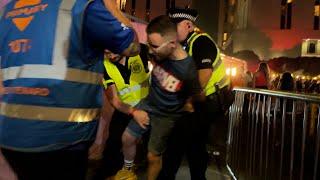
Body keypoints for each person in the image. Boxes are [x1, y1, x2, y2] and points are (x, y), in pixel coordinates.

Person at [0, 0, 140, 179]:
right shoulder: (80, 6)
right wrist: (111, 5)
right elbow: (132, 46)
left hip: (11, 136)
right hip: (63, 138)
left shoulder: (8, 11)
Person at [114, 15, 202, 180]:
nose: (150, 50)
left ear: (172, 44)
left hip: (166, 116)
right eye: (149, 44)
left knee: (152, 157)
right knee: (127, 137)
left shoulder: (187, 68)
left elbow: (199, 95)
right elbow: (133, 47)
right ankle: (127, 171)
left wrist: (187, 103)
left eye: (154, 46)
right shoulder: (157, 52)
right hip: (148, 104)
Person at [159, 8, 231, 180]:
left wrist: (187, 102)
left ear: (189, 25)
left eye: (174, 27)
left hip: (207, 102)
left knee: (177, 144)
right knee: (194, 147)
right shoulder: (183, 46)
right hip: (200, 102)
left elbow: (203, 78)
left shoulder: (201, 42)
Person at [90, 44, 150, 180]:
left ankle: (142, 165)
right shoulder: (104, 65)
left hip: (148, 107)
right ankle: (107, 173)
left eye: (113, 51)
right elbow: (115, 101)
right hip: (126, 108)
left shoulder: (140, 51)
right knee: (113, 142)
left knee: (152, 147)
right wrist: (134, 112)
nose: (111, 56)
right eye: (106, 53)